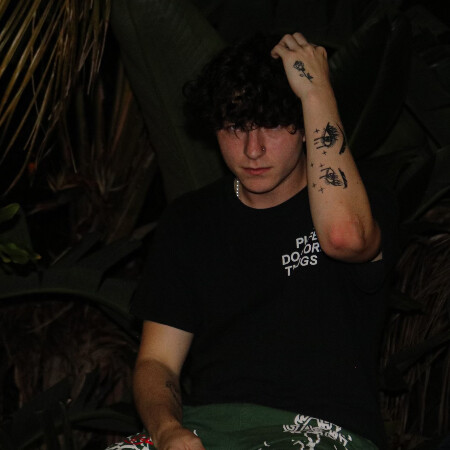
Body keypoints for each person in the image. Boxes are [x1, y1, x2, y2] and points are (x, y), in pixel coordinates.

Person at [107, 32, 396, 450]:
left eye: (273, 124)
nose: (253, 149)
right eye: (235, 127)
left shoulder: (358, 203)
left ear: (306, 126)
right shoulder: (190, 220)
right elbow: (157, 361)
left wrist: (316, 93)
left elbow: (343, 238)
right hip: (209, 426)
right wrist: (168, 430)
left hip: (324, 432)